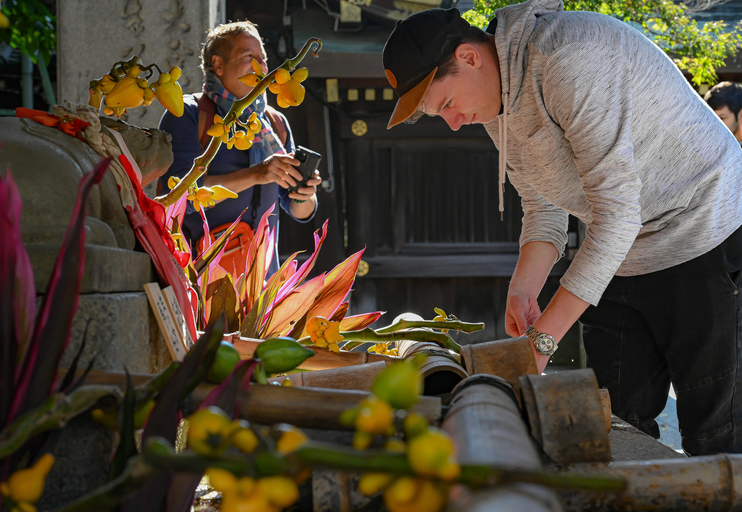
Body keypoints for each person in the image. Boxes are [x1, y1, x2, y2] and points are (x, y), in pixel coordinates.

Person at [382, 0, 742, 456]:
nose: (454, 123)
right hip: (621, 252)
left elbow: (617, 213)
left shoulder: (566, 56)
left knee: (715, 434)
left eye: (448, 104)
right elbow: (543, 203)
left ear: (469, 57)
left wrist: (543, 340)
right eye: (442, 115)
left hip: (704, 229)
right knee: (610, 420)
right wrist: (524, 287)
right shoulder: (496, 102)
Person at [159, 20, 320, 275]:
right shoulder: (187, 113)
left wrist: (305, 192)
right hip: (197, 273)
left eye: (263, 58)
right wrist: (258, 174)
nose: (261, 66)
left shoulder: (274, 122)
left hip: (260, 280)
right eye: (249, 56)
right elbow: (180, 197)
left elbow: (301, 212)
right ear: (218, 65)